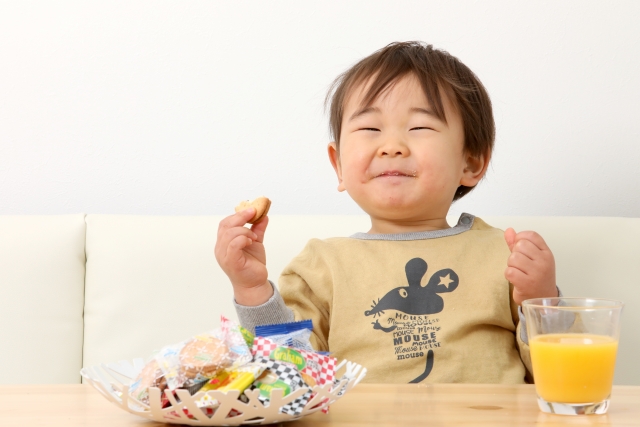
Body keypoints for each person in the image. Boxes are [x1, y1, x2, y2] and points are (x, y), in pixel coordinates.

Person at [214, 41, 558, 384]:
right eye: (370, 129)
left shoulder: (504, 255)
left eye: (419, 128)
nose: (391, 146)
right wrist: (253, 290)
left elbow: (555, 375)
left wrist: (540, 300)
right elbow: (292, 378)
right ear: (340, 166)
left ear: (470, 162)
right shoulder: (321, 266)